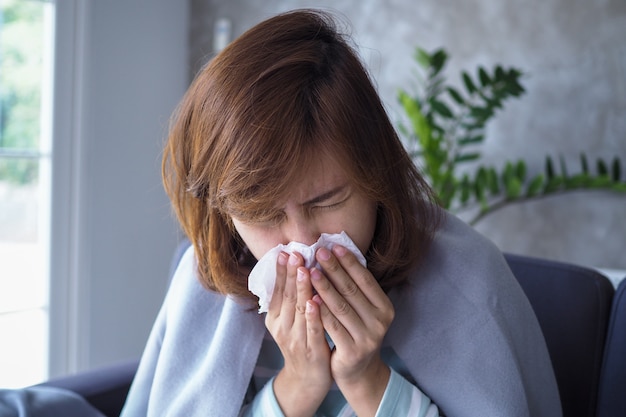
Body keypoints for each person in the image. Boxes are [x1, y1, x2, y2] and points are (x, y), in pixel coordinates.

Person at [120, 9, 562, 417]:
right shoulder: (205, 284)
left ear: (377, 178)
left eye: (326, 201)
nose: (302, 240)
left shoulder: (469, 280)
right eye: (263, 214)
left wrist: (367, 380)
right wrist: (295, 387)